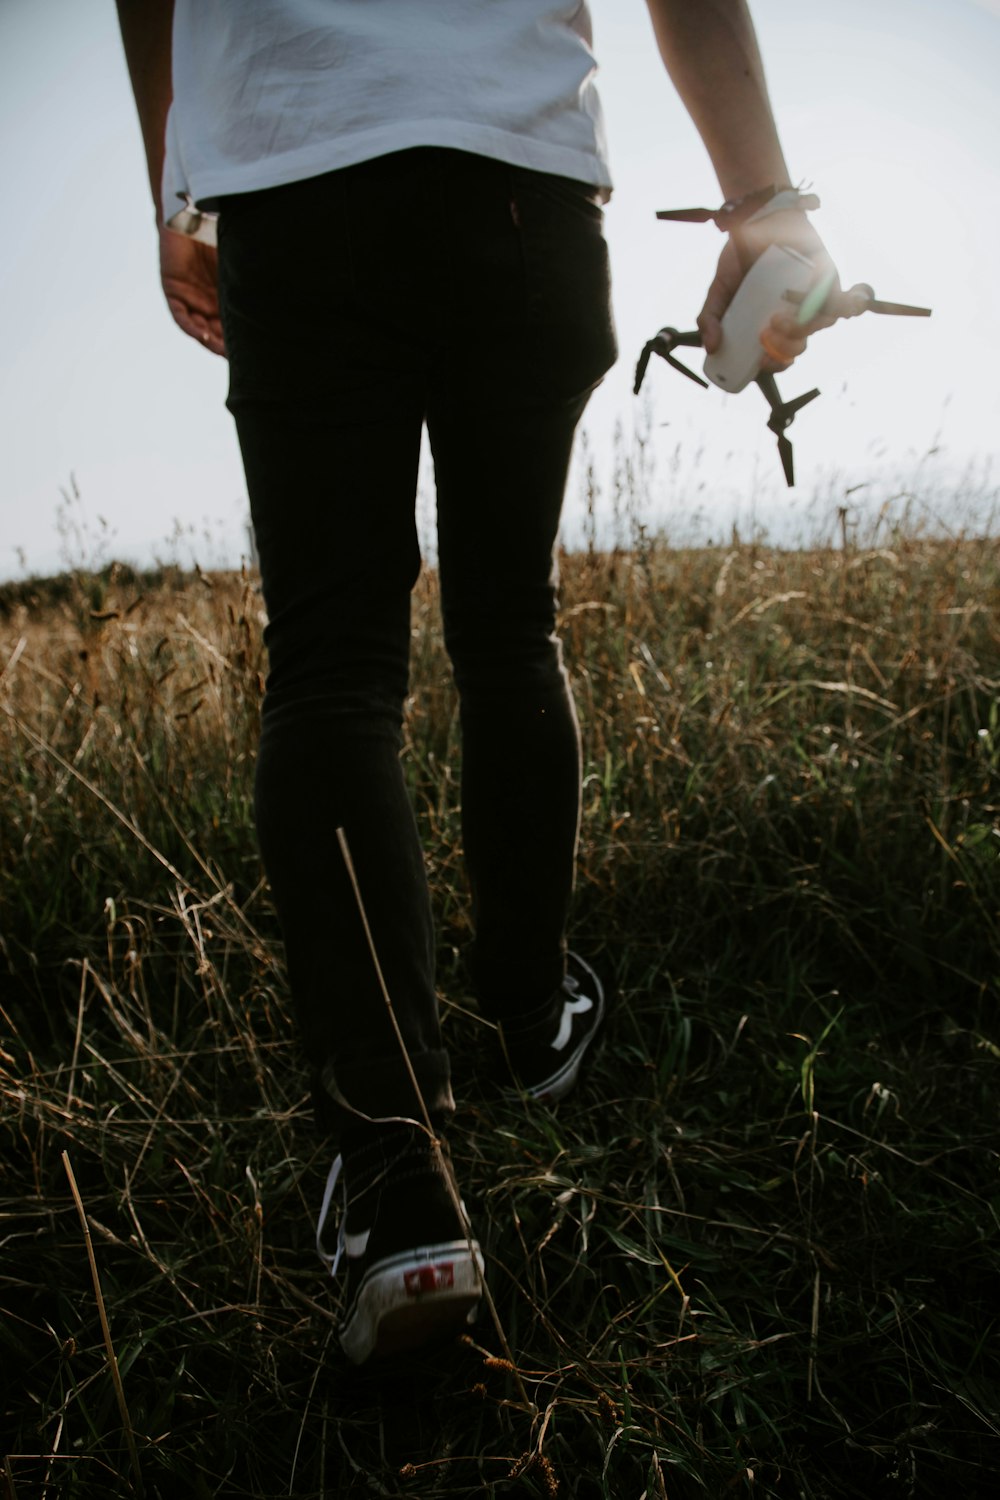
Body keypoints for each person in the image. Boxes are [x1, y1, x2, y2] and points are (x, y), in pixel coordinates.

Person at [116, 0, 856, 1366]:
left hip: (295, 171)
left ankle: (398, 1188)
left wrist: (179, 179)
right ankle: (527, 1014)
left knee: (334, 667)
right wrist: (765, 199)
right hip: (520, 178)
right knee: (511, 628)